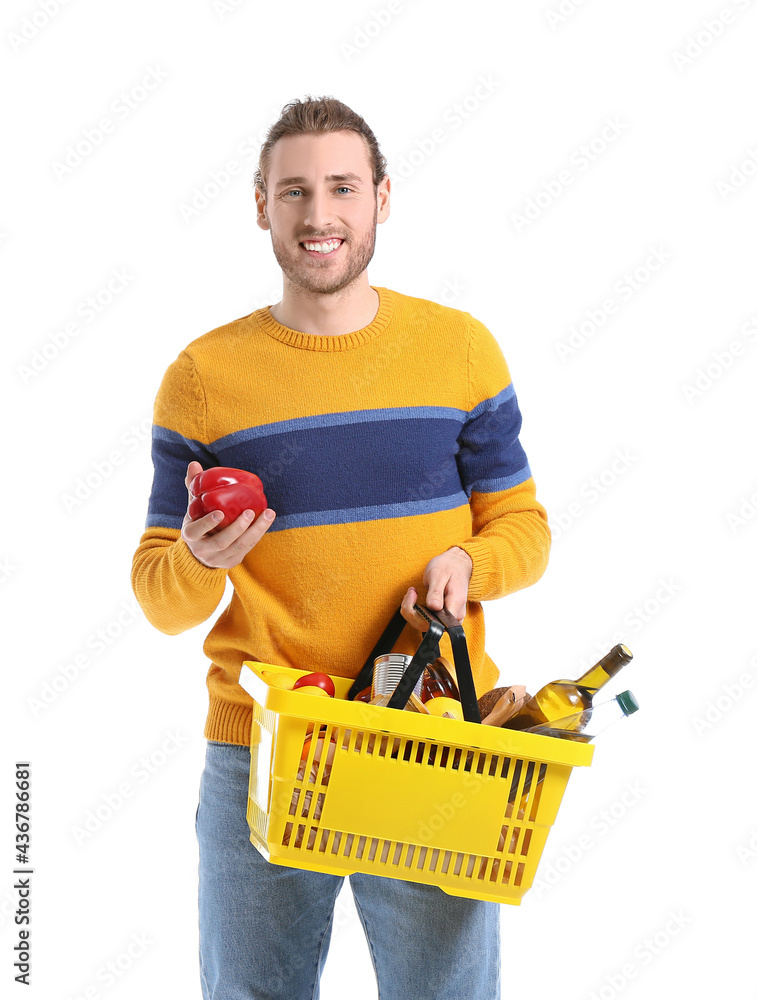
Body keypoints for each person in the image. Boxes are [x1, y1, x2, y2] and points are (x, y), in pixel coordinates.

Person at [131, 95, 550, 1000]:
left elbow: (525, 529)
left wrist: (467, 563)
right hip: (265, 751)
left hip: (432, 743)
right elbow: (158, 596)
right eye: (293, 192)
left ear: (382, 199)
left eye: (341, 188)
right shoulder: (204, 380)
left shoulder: (458, 350)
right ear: (259, 206)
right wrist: (202, 558)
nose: (318, 217)